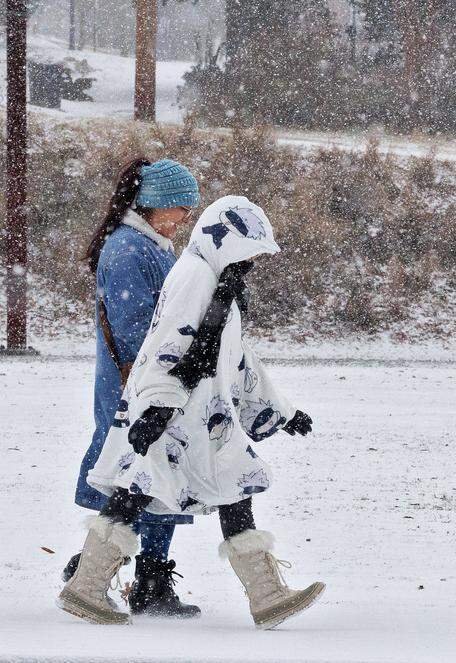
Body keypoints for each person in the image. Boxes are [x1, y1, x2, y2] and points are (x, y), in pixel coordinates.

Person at [58, 195, 325, 629]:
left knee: (225, 487)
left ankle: (267, 596)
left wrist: (278, 412)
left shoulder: (219, 286)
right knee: (140, 489)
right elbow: (167, 343)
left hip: (206, 421)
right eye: (248, 254)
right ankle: (86, 588)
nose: (252, 265)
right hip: (175, 418)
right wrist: (157, 408)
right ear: (226, 243)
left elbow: (237, 361)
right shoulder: (194, 278)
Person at [67, 157, 202, 618]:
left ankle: (142, 577)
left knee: (156, 479)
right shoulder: (128, 251)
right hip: (137, 390)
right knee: (139, 477)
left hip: (151, 386)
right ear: (155, 205)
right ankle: (103, 572)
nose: (186, 219)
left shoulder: (152, 246)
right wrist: (177, 366)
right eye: (181, 208)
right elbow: (135, 329)